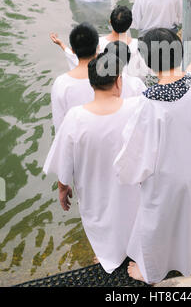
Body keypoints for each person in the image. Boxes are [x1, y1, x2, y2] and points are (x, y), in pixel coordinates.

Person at [113, 28, 191, 284]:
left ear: (148, 62)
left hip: (168, 179)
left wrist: (128, 174)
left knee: (157, 224)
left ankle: (150, 272)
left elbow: (136, 153)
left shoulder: (150, 102)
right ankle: (188, 258)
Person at [43, 52, 141, 274]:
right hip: (130, 184)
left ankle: (108, 256)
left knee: (101, 221)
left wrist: (63, 187)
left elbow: (64, 159)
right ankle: (135, 252)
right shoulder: (136, 107)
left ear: (91, 82)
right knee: (132, 213)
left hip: (94, 186)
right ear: (118, 80)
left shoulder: (75, 117)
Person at [51, 5, 151, 79]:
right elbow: (147, 70)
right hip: (133, 92)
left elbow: (82, 61)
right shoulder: (140, 46)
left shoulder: (98, 43)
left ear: (110, 22)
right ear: (130, 24)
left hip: (106, 89)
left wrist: (62, 44)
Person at [50, 22, 98, 133]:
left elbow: (59, 123)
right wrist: (61, 44)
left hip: (73, 142)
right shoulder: (108, 78)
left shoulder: (61, 83)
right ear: (97, 48)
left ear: (73, 50)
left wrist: (61, 44)